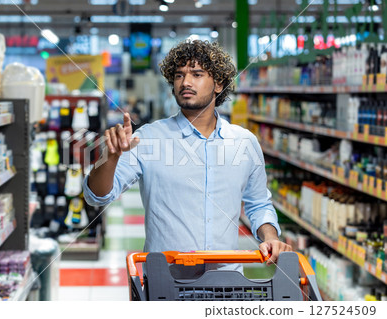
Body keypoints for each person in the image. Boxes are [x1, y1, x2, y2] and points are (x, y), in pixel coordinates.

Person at [84, 40, 291, 273]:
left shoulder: (244, 142)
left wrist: (270, 236)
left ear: (218, 84)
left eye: (197, 74)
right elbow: (97, 197)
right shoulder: (148, 139)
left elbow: (258, 203)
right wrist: (109, 159)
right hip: (166, 283)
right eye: (179, 75)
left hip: (226, 283)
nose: (186, 82)